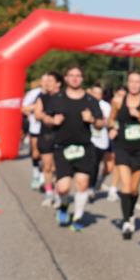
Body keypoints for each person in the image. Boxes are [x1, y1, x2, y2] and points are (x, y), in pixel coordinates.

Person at [35, 66, 103, 231]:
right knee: (63, 187)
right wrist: (52, 121)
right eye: (71, 75)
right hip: (62, 147)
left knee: (82, 184)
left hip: (84, 147)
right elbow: (44, 117)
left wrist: (92, 120)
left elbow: (101, 123)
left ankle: (78, 217)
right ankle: (64, 206)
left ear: (82, 78)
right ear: (65, 78)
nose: (74, 78)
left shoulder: (90, 100)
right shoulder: (57, 98)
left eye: (78, 75)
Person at [109, 71, 140, 240]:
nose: (134, 84)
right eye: (131, 81)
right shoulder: (118, 101)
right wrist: (113, 127)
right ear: (127, 83)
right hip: (122, 147)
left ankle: (130, 213)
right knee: (125, 186)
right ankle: (126, 222)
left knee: (134, 188)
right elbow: (111, 119)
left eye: (137, 81)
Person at [36, 72, 62, 206]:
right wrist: (46, 118)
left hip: (61, 135)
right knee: (47, 166)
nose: (47, 83)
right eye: (47, 81)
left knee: (58, 168)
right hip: (46, 135)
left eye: (51, 80)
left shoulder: (64, 97)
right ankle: (48, 193)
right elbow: (37, 113)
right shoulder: (42, 97)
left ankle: (58, 193)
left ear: (58, 83)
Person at [87, 80, 114, 199]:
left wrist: (97, 121)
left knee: (95, 164)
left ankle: (91, 187)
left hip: (101, 140)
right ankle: (86, 187)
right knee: (89, 164)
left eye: (99, 93)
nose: (96, 96)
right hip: (87, 139)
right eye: (94, 93)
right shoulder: (85, 103)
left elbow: (109, 122)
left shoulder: (106, 106)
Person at [21, 78, 46, 189]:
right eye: (45, 80)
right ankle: (36, 172)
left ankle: (43, 176)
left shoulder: (56, 94)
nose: (47, 82)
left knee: (47, 155)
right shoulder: (34, 93)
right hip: (36, 127)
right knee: (36, 153)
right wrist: (36, 108)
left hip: (50, 129)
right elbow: (23, 108)